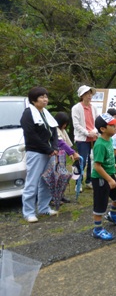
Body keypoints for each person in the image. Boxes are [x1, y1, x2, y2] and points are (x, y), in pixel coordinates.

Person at [20, 87, 59, 223]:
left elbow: (54, 132)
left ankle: (44, 208)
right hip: (36, 152)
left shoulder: (46, 113)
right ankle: (29, 212)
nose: (45, 99)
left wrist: (54, 147)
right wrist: (48, 149)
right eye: (41, 97)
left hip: (49, 152)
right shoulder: (28, 114)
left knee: (47, 181)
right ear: (33, 99)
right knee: (32, 182)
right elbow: (31, 136)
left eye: (46, 96)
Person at [91, 113, 116, 241]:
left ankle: (112, 214)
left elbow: (109, 157)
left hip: (110, 174)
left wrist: (114, 164)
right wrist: (109, 179)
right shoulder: (100, 145)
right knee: (101, 204)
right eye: (112, 125)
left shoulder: (110, 140)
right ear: (103, 129)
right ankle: (97, 229)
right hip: (101, 178)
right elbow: (97, 166)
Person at [72, 85, 99, 190]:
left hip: (94, 136)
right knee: (82, 160)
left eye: (90, 93)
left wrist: (94, 131)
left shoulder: (94, 107)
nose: (89, 96)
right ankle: (78, 183)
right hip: (82, 138)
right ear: (82, 95)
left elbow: (97, 122)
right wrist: (88, 133)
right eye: (87, 94)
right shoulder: (76, 108)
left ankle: (89, 181)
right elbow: (76, 124)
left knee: (93, 159)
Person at [54, 112, 81, 203]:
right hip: (54, 158)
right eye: (64, 123)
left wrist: (73, 152)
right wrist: (72, 153)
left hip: (62, 157)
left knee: (62, 176)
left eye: (66, 124)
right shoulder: (54, 129)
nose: (65, 125)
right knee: (56, 177)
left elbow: (68, 144)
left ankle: (60, 195)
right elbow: (60, 143)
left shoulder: (62, 130)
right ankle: (53, 198)